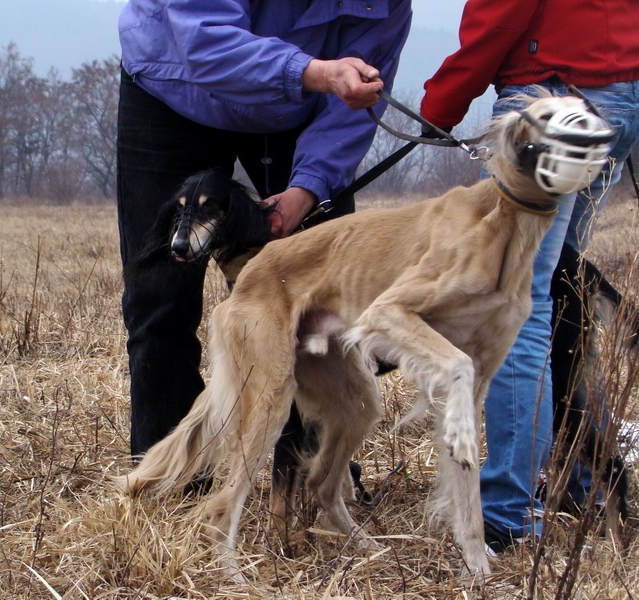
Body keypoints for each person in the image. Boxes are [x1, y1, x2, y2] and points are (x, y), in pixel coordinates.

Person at [116, 0, 413, 462]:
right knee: (160, 301)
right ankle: (170, 482)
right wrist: (319, 73)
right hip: (174, 84)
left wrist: (307, 189)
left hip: (301, 107)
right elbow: (203, 37)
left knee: (322, 313)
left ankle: (314, 479)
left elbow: (357, 98)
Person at [420, 0, 639, 554]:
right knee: (562, 289)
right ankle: (588, 481)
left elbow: (500, 13)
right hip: (619, 89)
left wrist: (439, 107)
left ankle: (508, 512)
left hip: (555, 99)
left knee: (521, 304)